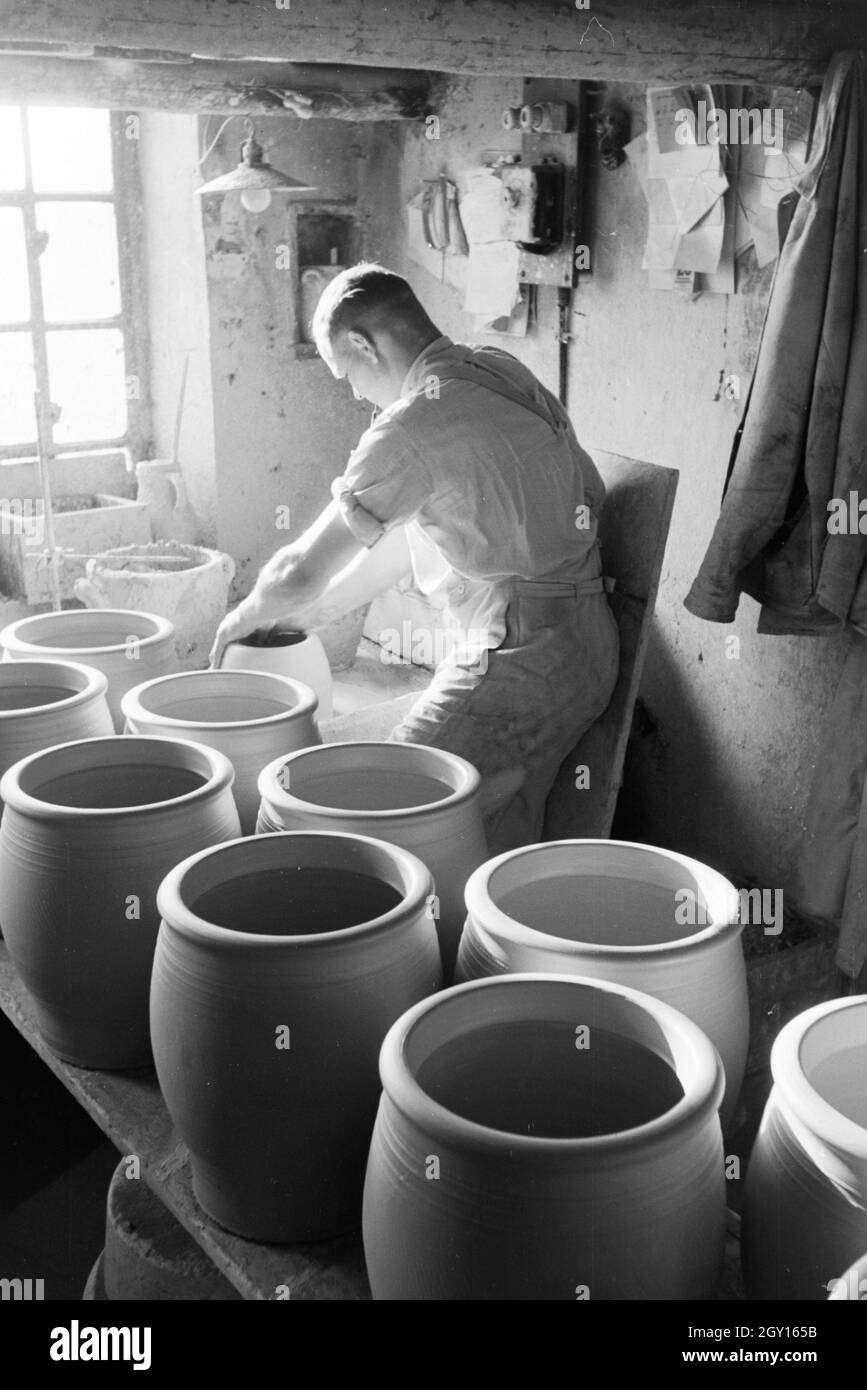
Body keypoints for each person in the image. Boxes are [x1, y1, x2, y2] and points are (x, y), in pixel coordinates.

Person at [210, 264, 619, 852]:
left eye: (343, 372)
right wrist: (309, 618)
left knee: (389, 813)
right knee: (496, 827)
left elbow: (298, 568)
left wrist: (242, 616)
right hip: (585, 646)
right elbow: (405, 543)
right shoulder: (498, 371)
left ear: (361, 344)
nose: (351, 391)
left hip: (522, 659)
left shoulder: (412, 426)